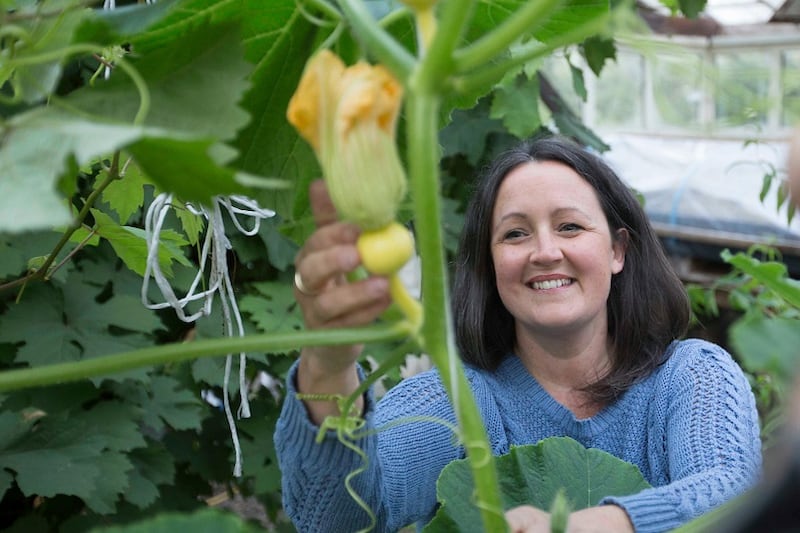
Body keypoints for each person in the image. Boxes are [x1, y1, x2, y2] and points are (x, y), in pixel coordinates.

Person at [274, 135, 762, 532]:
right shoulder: (457, 400)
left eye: (570, 226)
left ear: (618, 250)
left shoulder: (692, 375)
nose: (545, 251)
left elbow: (732, 492)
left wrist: (580, 526)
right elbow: (336, 519)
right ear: (490, 264)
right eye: (515, 234)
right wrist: (327, 368)